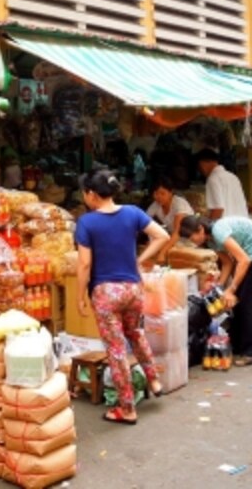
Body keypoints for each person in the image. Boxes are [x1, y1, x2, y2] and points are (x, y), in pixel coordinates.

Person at [75, 169, 169, 424]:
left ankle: (126, 408)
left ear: (92, 195)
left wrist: (79, 295)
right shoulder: (133, 213)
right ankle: (154, 380)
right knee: (136, 334)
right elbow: (163, 236)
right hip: (132, 289)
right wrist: (140, 260)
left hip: (106, 293)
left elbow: (84, 264)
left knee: (116, 350)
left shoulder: (87, 222)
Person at [179, 215, 252, 367]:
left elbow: (244, 260)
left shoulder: (219, 231)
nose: (193, 242)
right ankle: (237, 344)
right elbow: (227, 263)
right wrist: (219, 286)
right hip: (248, 257)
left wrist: (232, 288)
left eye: (193, 237)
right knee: (236, 301)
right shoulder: (210, 240)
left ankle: (251, 352)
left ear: (201, 229)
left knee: (247, 302)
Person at [146, 175, 193, 262]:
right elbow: (144, 222)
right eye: (156, 193)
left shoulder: (179, 204)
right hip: (172, 239)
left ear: (171, 192)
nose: (158, 197)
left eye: (162, 193)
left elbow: (177, 233)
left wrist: (162, 253)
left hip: (188, 240)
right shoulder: (155, 205)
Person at [195, 149, 248, 219]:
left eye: (199, 166)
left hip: (226, 226)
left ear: (205, 162)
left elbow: (218, 210)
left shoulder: (213, 179)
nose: (200, 170)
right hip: (242, 224)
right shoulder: (233, 177)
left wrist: (208, 224)